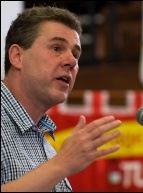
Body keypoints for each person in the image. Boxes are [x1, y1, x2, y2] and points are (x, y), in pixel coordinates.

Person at [1, 6, 122, 192]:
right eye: (56, 48)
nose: (72, 61)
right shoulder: (60, 161)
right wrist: (61, 165)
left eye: (75, 54)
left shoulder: (46, 146)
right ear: (17, 56)